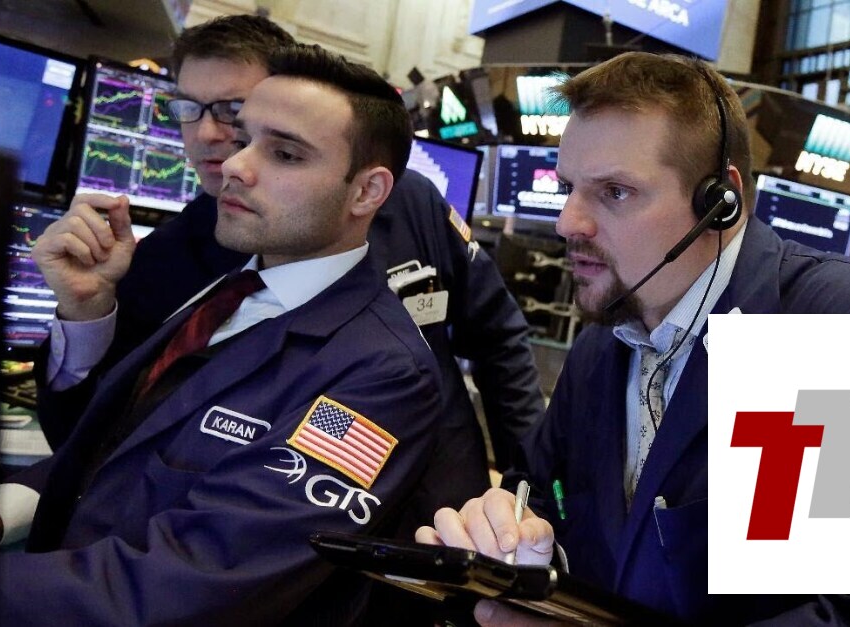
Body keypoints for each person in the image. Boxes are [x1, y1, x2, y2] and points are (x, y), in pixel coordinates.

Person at [415, 52, 850, 626]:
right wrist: (508, 532)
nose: (567, 222)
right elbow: (540, 495)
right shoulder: (600, 351)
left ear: (719, 202)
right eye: (568, 187)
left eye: (615, 192)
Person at [35, 14, 545, 526]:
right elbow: (92, 441)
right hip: (255, 516)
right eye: (189, 108)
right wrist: (85, 313)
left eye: (232, 110)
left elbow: (497, 337)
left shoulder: (408, 202)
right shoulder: (161, 257)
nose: (209, 135)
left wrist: (525, 491)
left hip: (441, 513)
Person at [0, 44, 441, 625]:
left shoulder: (381, 374)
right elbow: (125, 449)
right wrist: (8, 507)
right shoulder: (232, 287)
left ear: (366, 192)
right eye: (244, 138)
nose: (234, 165)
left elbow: (189, 585)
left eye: (284, 154)